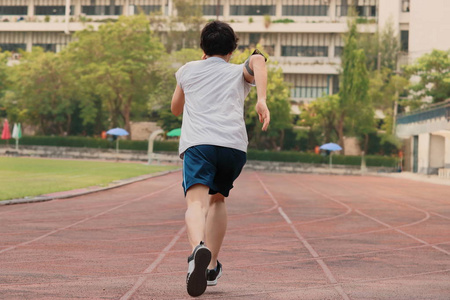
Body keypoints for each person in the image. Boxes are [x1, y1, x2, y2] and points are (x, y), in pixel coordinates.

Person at [171, 21, 270, 297]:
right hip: (233, 148)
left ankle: (196, 252)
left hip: (200, 144)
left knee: (196, 201)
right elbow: (258, 60)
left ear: (203, 48)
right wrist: (261, 99)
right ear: (232, 49)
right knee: (218, 199)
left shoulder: (187, 70)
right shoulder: (239, 72)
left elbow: (176, 108)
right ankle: (211, 266)